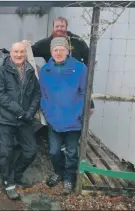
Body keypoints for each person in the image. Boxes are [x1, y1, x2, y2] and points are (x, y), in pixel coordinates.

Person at [39, 37, 87, 194]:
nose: (58, 52)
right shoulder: (45, 69)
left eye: (61, 49)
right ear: (51, 52)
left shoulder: (80, 68)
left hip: (74, 119)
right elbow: (43, 95)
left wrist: (79, 113)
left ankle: (68, 178)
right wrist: (48, 113)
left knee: (72, 152)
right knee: (54, 151)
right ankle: (58, 172)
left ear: (68, 50)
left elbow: (84, 93)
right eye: (55, 49)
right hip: (54, 119)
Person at [0, 42, 41, 200]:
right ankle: (8, 182)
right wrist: (20, 111)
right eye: (16, 52)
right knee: (5, 152)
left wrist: (29, 112)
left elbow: (36, 94)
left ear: (25, 54)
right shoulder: (2, 71)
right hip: (5, 119)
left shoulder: (29, 71)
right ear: (10, 53)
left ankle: (17, 173)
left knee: (30, 150)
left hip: (24, 120)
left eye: (22, 52)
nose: (19, 55)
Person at [23, 16, 95, 113]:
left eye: (62, 26)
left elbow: (89, 56)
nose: (60, 29)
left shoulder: (77, 41)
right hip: (55, 84)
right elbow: (29, 51)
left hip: (76, 82)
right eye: (57, 26)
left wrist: (84, 72)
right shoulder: (45, 43)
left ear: (66, 27)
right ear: (53, 28)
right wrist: (24, 45)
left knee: (86, 110)